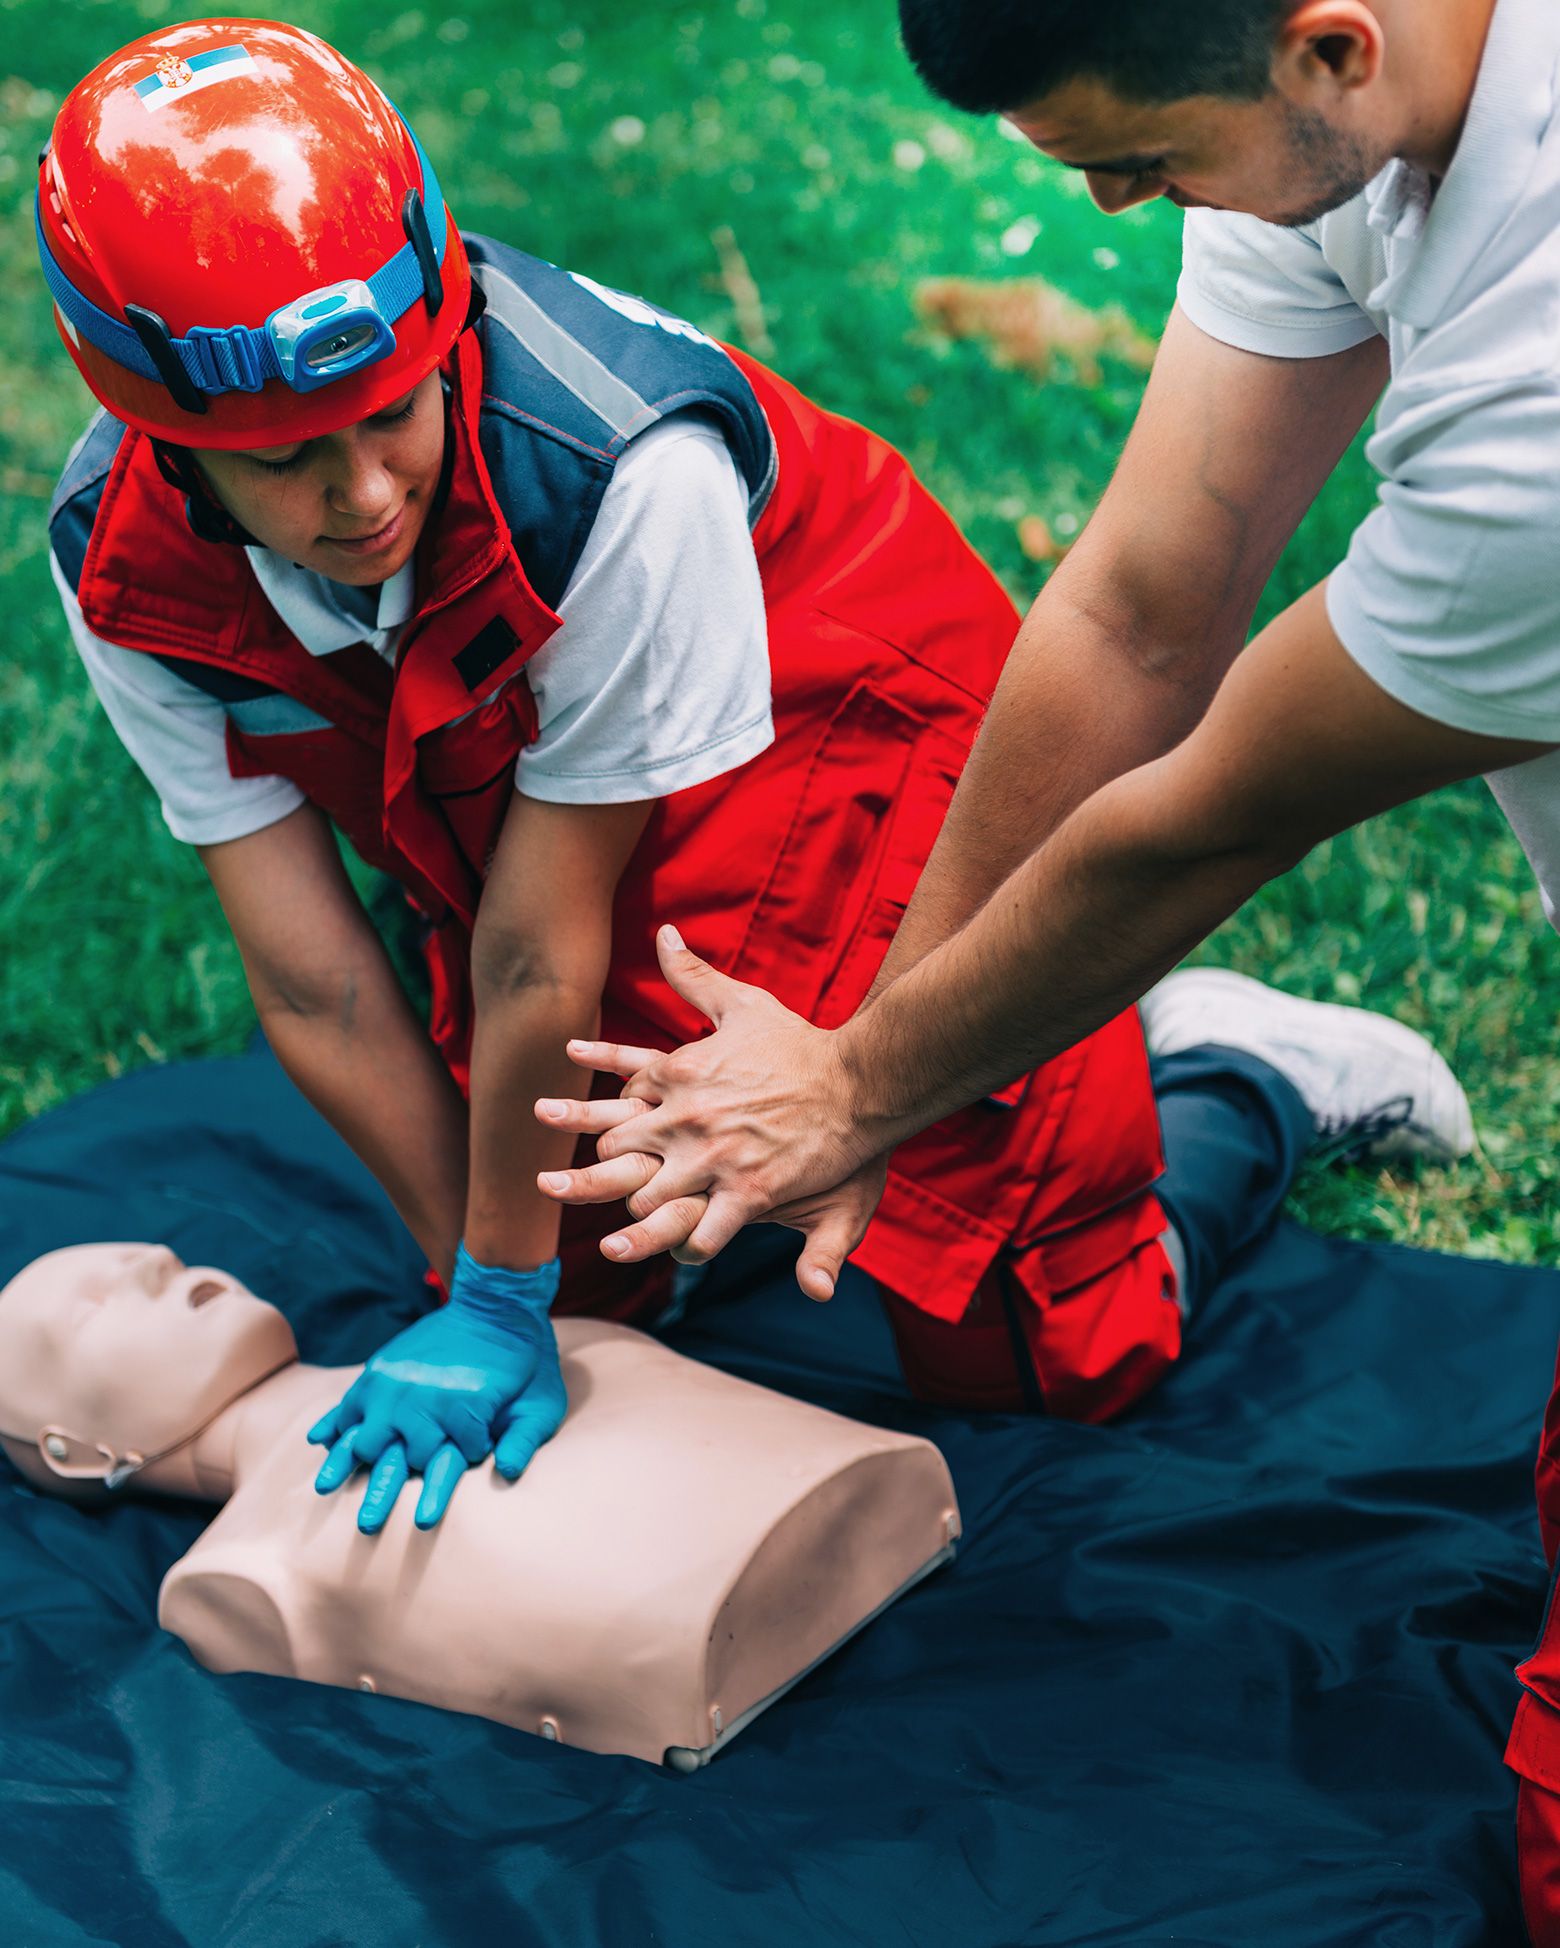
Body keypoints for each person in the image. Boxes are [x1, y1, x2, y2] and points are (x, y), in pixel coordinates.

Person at [41, 23, 1463, 1540]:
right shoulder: (117, 560)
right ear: (166, 442)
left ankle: (1235, 1080)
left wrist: (507, 1285)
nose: (369, 492)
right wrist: (498, 1287)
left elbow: (535, 941)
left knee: (1050, 1332)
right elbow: (314, 976)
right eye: (293, 461)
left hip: (833, 715)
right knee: (587, 1247)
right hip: (530, 777)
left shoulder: (620, 469)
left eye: (395, 411)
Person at [527, 0, 1560, 1929]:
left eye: (1141, 163)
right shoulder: (1352, 74)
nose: (1107, 212)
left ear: (1328, 52)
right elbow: (1146, 598)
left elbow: (1214, 811)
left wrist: (855, 1086)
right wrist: (871, 1057)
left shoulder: (1545, 407)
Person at [0, 1243, 957, 1767]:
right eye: (100, 1308)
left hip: (875, 1489)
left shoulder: (522, 1337)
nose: (170, 1269)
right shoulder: (236, 1573)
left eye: (159, 1259)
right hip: (733, 1637)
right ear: (67, 1452)